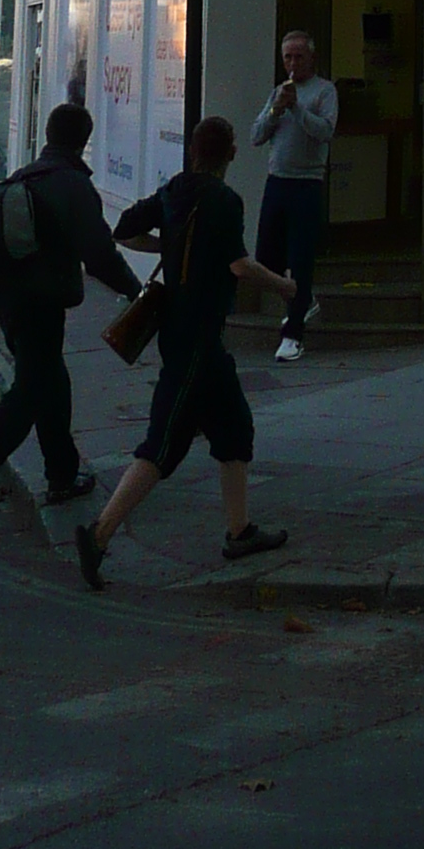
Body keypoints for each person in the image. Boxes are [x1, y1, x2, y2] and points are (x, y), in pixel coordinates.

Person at [73, 115, 296, 586]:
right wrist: (284, 287)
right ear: (231, 154)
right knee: (164, 443)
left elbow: (124, 230)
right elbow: (238, 265)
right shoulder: (224, 200)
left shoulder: (175, 190)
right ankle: (99, 535)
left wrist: (165, 248)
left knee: (235, 428)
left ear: (193, 151)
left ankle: (240, 531)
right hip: (196, 341)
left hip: (191, 338)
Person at [0, 100, 138, 554]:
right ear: (84, 140)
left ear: (47, 134)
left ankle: (61, 473)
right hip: (42, 303)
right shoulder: (72, 185)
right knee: (28, 394)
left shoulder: (22, 176)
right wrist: (135, 291)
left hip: (9, 302)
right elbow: (99, 253)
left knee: (49, 379)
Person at [250, 28, 337, 361]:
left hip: (307, 183)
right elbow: (256, 135)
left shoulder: (323, 91)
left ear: (311, 57)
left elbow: (325, 131)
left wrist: (298, 109)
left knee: (300, 258)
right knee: (267, 257)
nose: (292, 63)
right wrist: (276, 109)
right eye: (287, 56)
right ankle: (305, 300)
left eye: (299, 56)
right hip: (277, 181)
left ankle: (294, 333)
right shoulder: (279, 92)